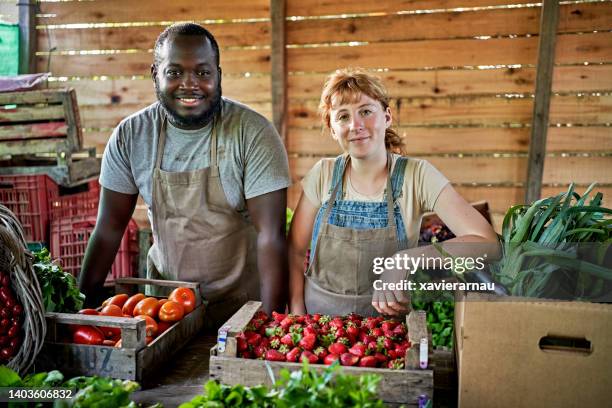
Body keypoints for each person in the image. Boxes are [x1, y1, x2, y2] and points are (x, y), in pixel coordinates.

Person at [79, 23, 291, 325]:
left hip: (243, 308)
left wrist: (271, 325)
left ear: (218, 75)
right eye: (174, 72)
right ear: (156, 74)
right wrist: (81, 309)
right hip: (166, 312)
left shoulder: (252, 133)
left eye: (203, 73)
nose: (189, 84)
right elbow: (109, 228)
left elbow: (271, 236)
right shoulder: (132, 135)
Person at [288, 68, 499, 317]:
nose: (355, 125)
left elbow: (487, 244)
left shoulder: (417, 175)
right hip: (318, 326)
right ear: (332, 129)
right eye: (343, 116)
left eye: (365, 111)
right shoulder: (323, 174)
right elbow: (295, 251)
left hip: (387, 332)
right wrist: (297, 311)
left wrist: (405, 260)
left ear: (387, 116)